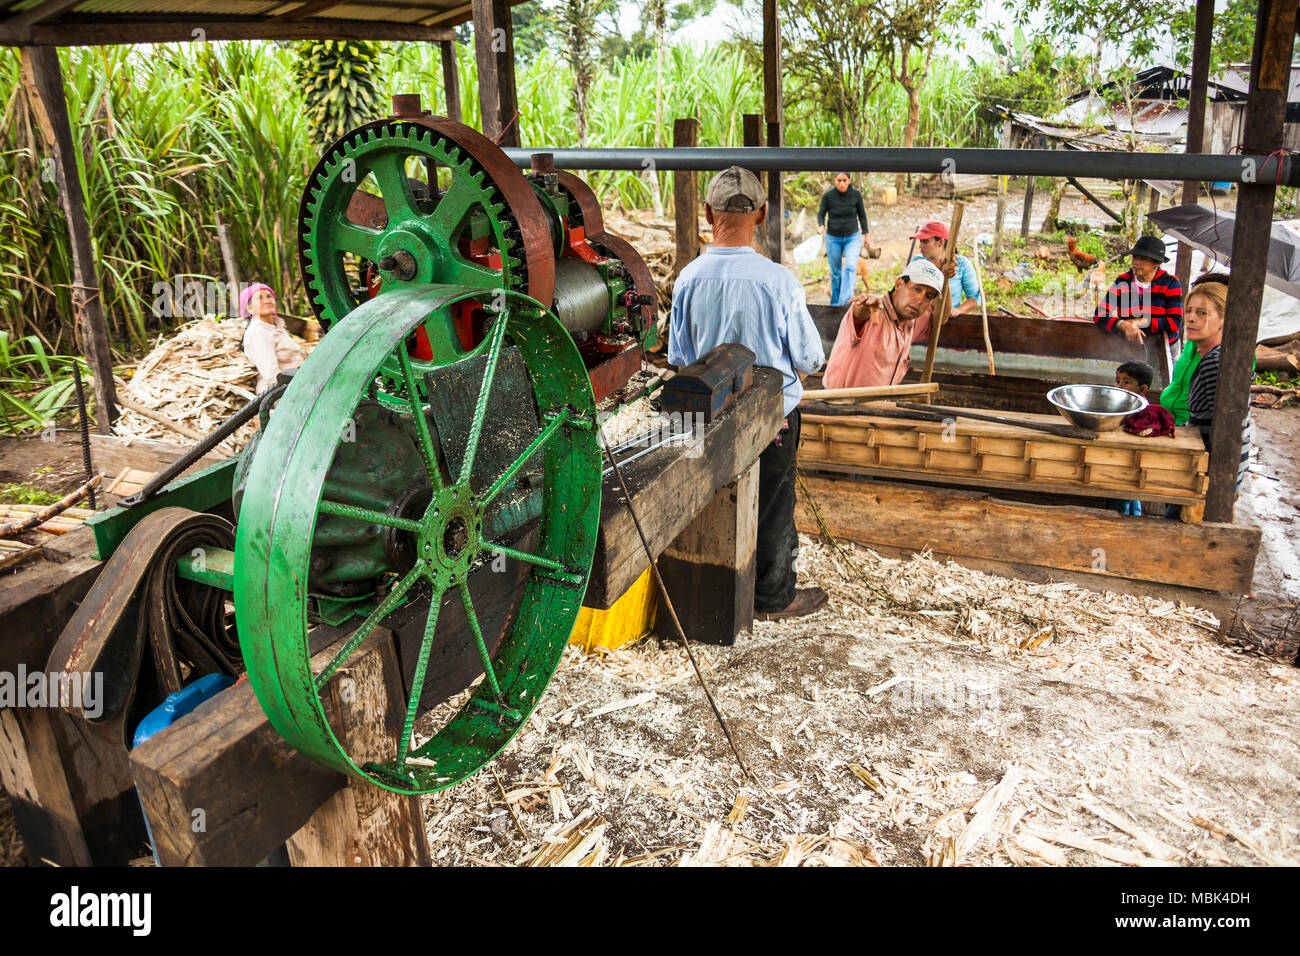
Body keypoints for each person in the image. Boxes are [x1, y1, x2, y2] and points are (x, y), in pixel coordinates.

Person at [669, 165, 828, 622]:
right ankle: (772, 598)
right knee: (774, 507)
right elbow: (811, 360)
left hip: (706, 417)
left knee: (713, 499)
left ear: (707, 213)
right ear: (760, 215)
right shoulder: (778, 282)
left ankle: (713, 592)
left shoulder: (688, 279)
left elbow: (679, 358)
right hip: (770, 419)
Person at [821, 259, 946, 389]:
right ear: (898, 284)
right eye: (916, 289)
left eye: (929, 296)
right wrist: (864, 304)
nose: (920, 299)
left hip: (879, 406)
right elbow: (860, 312)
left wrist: (947, 275)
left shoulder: (910, 323)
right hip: (839, 403)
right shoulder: (874, 311)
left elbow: (942, 316)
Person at [1183, 274, 1252, 492]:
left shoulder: (1216, 364)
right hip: (1215, 470)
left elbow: (1229, 430)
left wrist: (1217, 483)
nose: (1191, 318)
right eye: (1189, 310)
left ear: (1224, 319)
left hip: (1214, 476)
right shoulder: (1219, 356)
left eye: (1202, 313)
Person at [1093, 235, 1183, 346]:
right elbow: (1099, 313)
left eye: (1143, 259)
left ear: (1157, 263)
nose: (1136, 262)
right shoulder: (1123, 281)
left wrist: (1137, 322)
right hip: (1131, 344)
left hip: (1163, 345)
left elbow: (1175, 323)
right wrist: (1123, 324)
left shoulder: (1170, 283)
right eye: (1135, 257)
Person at [240, 283, 305, 394]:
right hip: (282, 392)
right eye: (260, 298)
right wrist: (300, 390)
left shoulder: (278, 326)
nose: (267, 300)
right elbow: (271, 375)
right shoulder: (257, 332)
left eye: (269, 296)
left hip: (299, 380)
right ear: (250, 308)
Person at [818, 173, 870, 308]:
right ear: (835, 181)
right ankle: (835, 303)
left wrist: (867, 235)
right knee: (835, 272)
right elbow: (821, 214)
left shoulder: (856, 195)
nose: (842, 183)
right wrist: (821, 225)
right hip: (833, 238)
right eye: (839, 180)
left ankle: (845, 303)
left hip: (852, 237)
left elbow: (862, 216)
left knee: (850, 267)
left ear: (850, 181)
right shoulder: (828, 196)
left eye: (845, 180)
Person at [909, 220, 981, 316]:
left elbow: (975, 298)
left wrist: (957, 310)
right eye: (920, 241)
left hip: (949, 319)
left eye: (925, 241)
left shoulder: (962, 264)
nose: (920, 246)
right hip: (921, 317)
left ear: (941, 242)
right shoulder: (918, 262)